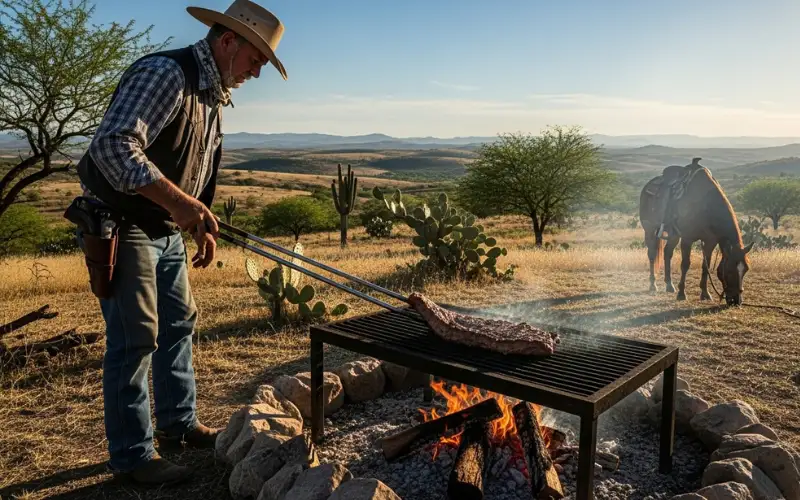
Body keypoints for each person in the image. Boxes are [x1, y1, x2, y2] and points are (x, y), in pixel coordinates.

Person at [75, 0, 288, 485]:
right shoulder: (167, 74)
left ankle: (178, 424)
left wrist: (195, 221)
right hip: (124, 223)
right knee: (136, 339)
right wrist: (181, 205)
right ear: (229, 40)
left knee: (180, 325)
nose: (256, 72)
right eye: (256, 59)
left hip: (166, 229)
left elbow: (187, 172)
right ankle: (131, 457)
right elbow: (112, 146)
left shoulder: (213, 94)